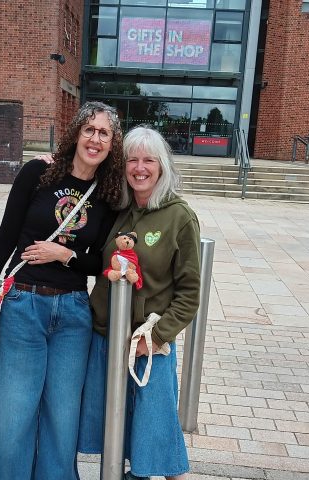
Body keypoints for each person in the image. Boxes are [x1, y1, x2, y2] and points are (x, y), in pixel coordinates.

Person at [0, 101, 124, 480]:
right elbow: (6, 237)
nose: (95, 139)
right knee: (14, 415)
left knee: (63, 419)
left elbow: (100, 263)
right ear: (76, 132)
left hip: (74, 313)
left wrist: (65, 254)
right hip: (23, 304)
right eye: (89, 130)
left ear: (113, 143)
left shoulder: (107, 194)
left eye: (104, 133)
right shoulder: (38, 174)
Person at [78, 125, 201, 480]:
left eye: (148, 159)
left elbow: (190, 291)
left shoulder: (180, 217)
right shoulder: (117, 206)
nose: (140, 167)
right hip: (106, 335)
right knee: (117, 428)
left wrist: (159, 335)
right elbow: (81, 172)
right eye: (132, 159)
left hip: (147, 342)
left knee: (156, 429)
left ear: (161, 166)